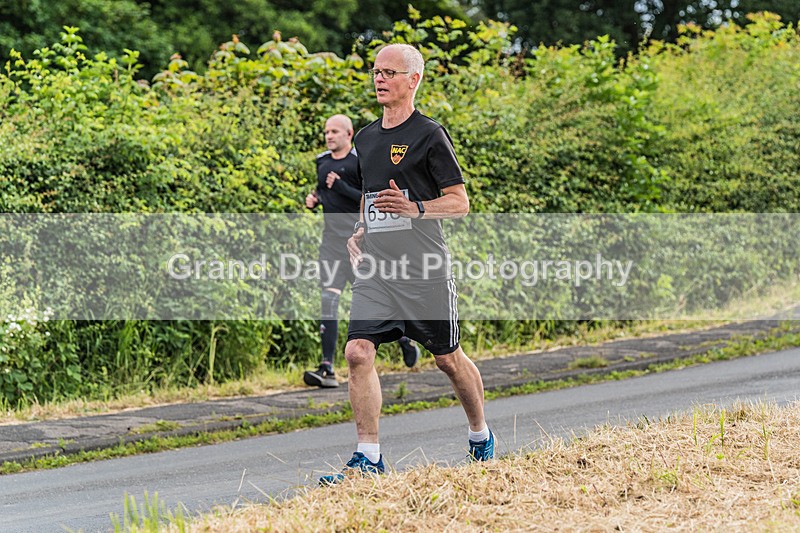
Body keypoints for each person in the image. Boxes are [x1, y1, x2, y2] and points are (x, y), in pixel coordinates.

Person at [319, 44, 493, 485]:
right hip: (377, 269)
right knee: (357, 352)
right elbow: (370, 193)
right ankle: (368, 457)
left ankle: (480, 435)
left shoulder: (430, 134)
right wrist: (361, 231)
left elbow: (459, 202)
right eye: (375, 71)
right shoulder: (365, 137)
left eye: (389, 72)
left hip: (425, 269)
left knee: (448, 360)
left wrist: (415, 208)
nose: (379, 79)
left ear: (413, 80)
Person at [303, 114, 421, 389]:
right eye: (326, 131)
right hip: (331, 244)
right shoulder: (322, 161)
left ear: (349, 133)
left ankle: (404, 338)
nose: (329, 136)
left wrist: (341, 186)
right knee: (328, 300)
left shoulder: (359, 160)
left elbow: (370, 197)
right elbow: (324, 191)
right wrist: (315, 199)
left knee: (373, 303)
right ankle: (327, 368)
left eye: (334, 131)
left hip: (359, 243)